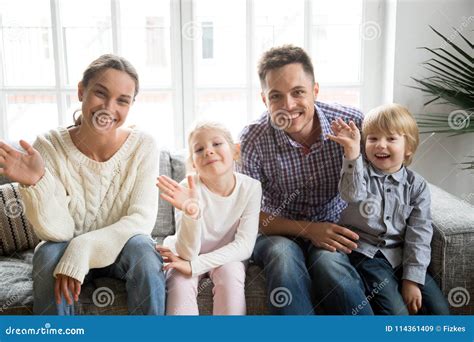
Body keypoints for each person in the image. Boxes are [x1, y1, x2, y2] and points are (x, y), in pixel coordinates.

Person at [0, 54, 165, 315]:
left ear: (131, 105)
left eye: (122, 101)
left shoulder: (144, 145)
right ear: (81, 91)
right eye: (101, 93)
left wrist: (83, 247)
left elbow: (141, 220)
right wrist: (36, 183)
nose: (109, 108)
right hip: (64, 245)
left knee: (144, 251)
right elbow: (59, 231)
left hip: (122, 248)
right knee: (47, 254)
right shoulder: (49, 146)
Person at [238, 45, 372, 314]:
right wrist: (309, 230)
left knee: (330, 267)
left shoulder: (352, 123)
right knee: (283, 257)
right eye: (276, 96)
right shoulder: (253, 139)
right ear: (264, 100)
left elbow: (383, 182)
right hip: (277, 231)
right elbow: (249, 217)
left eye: (298, 92)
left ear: (315, 91)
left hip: (333, 226)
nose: (288, 105)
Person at [327, 103, 450, 315]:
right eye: (373, 139)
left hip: (401, 256)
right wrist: (351, 153)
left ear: (408, 147)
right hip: (367, 255)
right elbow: (350, 194)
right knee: (396, 312)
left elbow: (419, 234)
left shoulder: (417, 186)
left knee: (441, 312)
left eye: (391, 139)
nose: (380, 145)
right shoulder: (359, 172)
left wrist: (411, 279)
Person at [156, 122, 261, 315]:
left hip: (228, 256)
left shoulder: (251, 188)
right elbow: (187, 254)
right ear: (193, 164)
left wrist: (195, 267)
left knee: (232, 272)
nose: (209, 151)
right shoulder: (186, 189)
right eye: (199, 149)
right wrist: (192, 213)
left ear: (235, 152)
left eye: (217, 144)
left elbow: (244, 246)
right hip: (187, 253)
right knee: (179, 278)